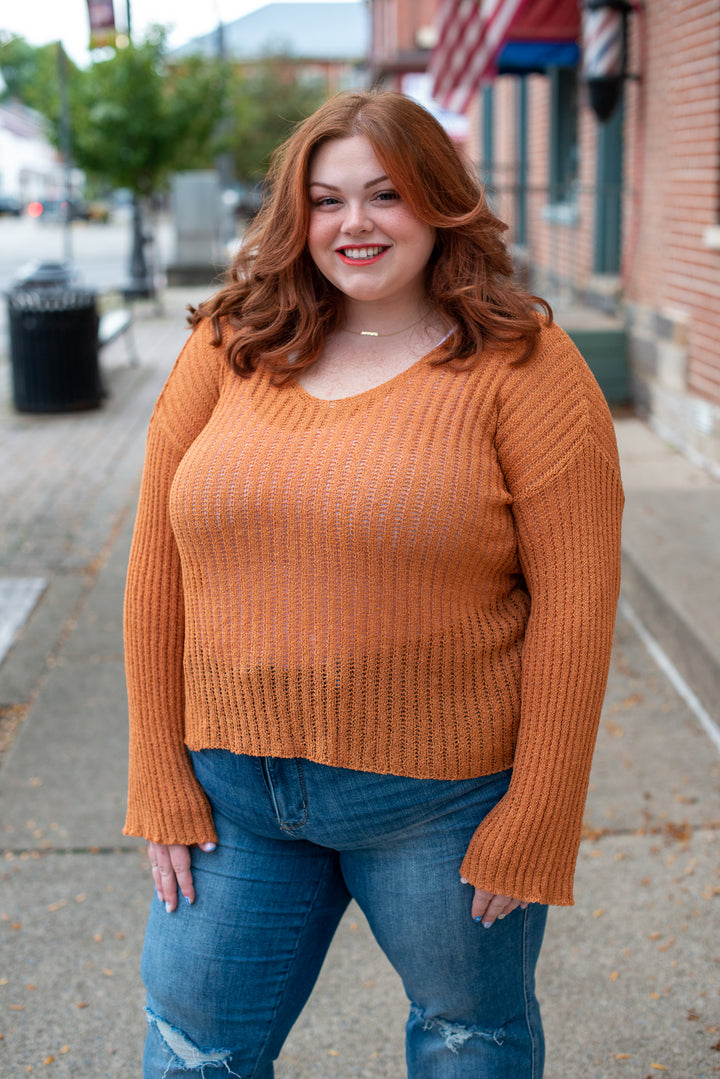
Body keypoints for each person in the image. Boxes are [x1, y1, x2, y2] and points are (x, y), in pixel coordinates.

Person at [123, 90, 624, 1079]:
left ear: (440, 203)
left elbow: (577, 604)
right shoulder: (229, 343)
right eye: (326, 200)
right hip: (233, 792)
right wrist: (157, 771)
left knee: (467, 1041)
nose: (354, 225)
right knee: (192, 1051)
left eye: (385, 195)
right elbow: (157, 565)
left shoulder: (526, 365)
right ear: (295, 216)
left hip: (441, 804)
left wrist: (542, 807)